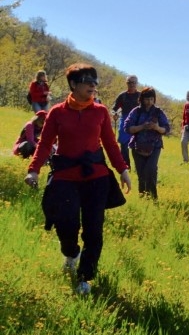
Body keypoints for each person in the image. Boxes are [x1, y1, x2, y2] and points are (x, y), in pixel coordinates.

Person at [24, 63, 132, 296]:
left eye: (95, 81)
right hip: (65, 176)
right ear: (73, 84)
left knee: (94, 230)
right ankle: (72, 253)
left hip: (96, 177)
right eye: (87, 80)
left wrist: (122, 169)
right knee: (65, 223)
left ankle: (85, 277)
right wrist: (33, 170)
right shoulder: (57, 112)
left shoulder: (101, 112)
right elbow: (44, 143)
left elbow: (111, 144)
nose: (93, 85)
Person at [123, 87, 169, 199]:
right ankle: (142, 196)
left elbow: (167, 129)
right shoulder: (136, 112)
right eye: (146, 99)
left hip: (155, 146)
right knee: (141, 173)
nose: (149, 102)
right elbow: (127, 128)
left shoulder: (158, 112)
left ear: (154, 99)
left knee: (151, 170)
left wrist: (157, 127)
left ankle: (153, 197)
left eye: (151, 99)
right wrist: (142, 126)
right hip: (137, 146)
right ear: (142, 99)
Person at [111, 75, 141, 169]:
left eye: (133, 82)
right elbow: (114, 109)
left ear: (136, 83)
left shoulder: (141, 96)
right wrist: (114, 113)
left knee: (138, 145)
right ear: (126, 83)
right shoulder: (122, 96)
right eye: (129, 82)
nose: (131, 84)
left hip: (138, 122)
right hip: (125, 121)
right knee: (124, 145)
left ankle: (139, 167)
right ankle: (126, 166)